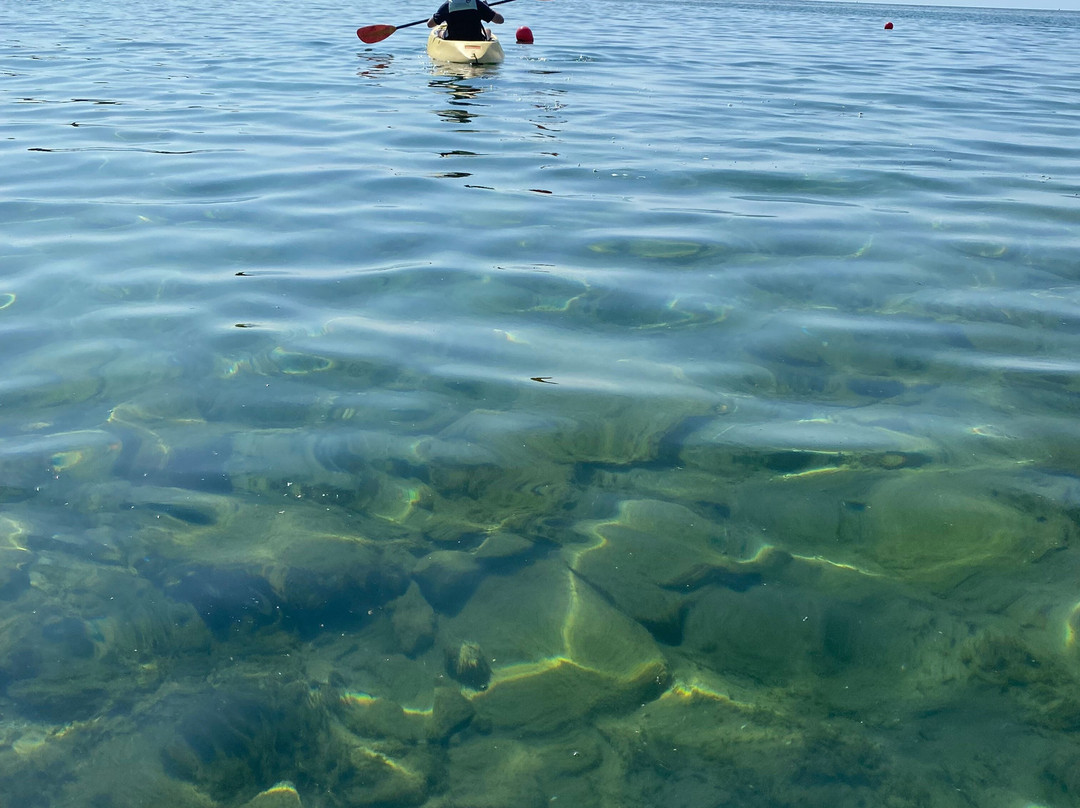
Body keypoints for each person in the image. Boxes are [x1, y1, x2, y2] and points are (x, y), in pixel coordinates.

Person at [427, 0, 504, 41]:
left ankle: (440, 33)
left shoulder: (447, 5)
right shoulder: (477, 4)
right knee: (488, 30)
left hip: (452, 39)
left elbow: (429, 24)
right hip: (476, 39)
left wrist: (438, 15)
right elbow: (500, 20)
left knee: (438, 31)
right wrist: (487, 8)